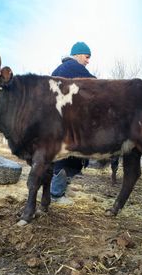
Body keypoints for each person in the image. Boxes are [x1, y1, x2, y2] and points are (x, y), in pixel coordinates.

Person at [50, 42, 96, 202]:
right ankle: (56, 194)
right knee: (68, 156)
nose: (88, 60)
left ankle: (56, 190)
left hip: (56, 121)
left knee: (61, 156)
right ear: (77, 54)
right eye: (87, 56)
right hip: (67, 123)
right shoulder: (73, 67)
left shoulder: (59, 68)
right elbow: (96, 85)